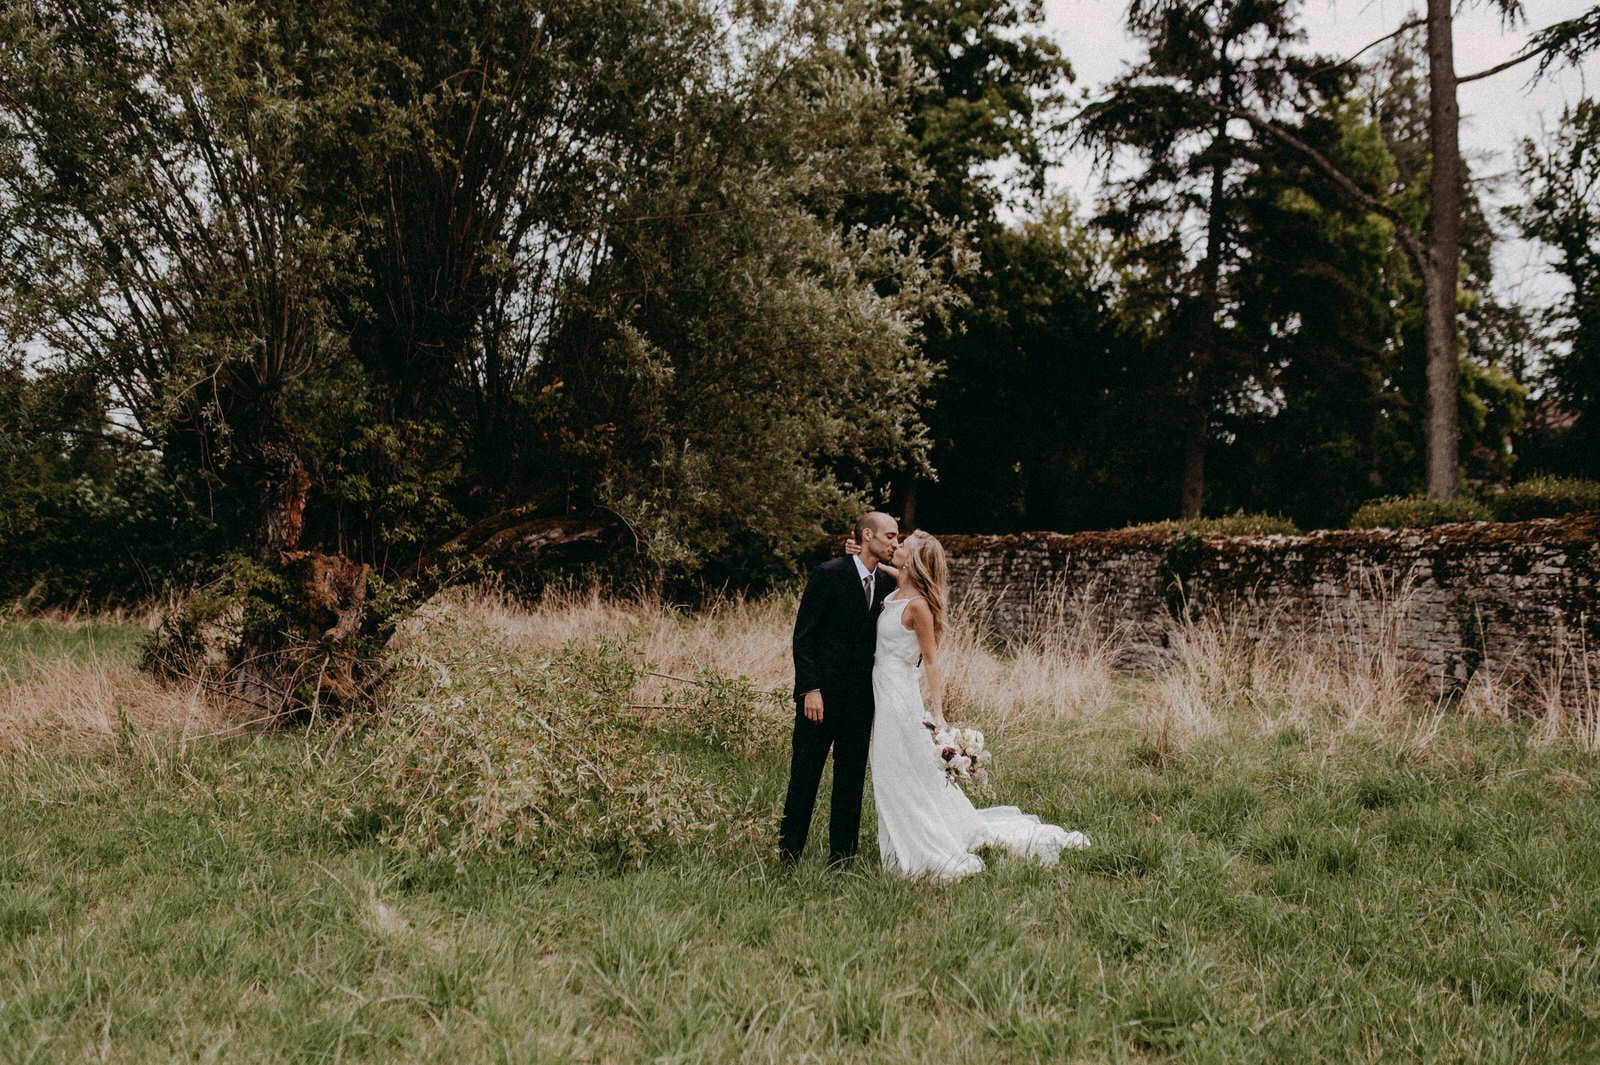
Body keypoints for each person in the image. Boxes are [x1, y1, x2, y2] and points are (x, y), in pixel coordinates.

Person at [866, 530, 1090, 880]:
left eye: (902, 546)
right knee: (898, 771)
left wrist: (937, 713)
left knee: (899, 773)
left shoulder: (918, 607)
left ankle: (921, 843)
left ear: (912, 560)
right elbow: (894, 577)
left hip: (898, 699)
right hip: (883, 690)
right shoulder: (898, 592)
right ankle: (903, 836)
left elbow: (932, 662)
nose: (895, 547)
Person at [778, 511, 900, 869]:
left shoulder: (889, 586)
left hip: (862, 701)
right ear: (867, 535)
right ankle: (788, 855)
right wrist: (809, 689)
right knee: (805, 775)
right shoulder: (828, 575)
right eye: (890, 536)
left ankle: (842, 859)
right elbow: (804, 638)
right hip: (821, 697)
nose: (895, 543)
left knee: (850, 780)